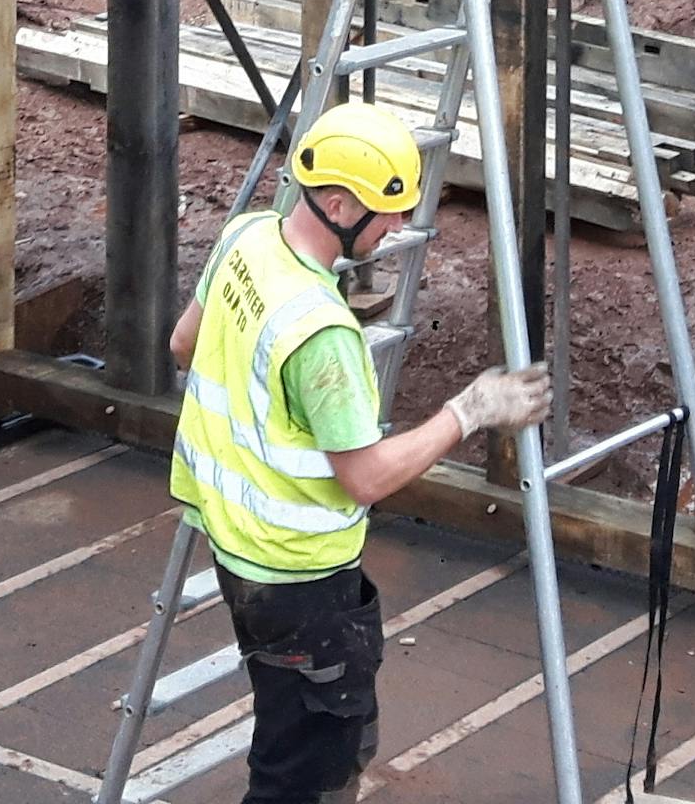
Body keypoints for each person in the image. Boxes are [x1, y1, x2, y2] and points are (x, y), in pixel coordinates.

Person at [165, 105, 552, 803]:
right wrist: (469, 411)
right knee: (296, 775)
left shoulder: (246, 237)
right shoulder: (321, 335)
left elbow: (184, 346)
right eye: (388, 211)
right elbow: (366, 477)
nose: (398, 227)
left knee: (312, 729)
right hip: (298, 576)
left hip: (235, 544)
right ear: (338, 203)